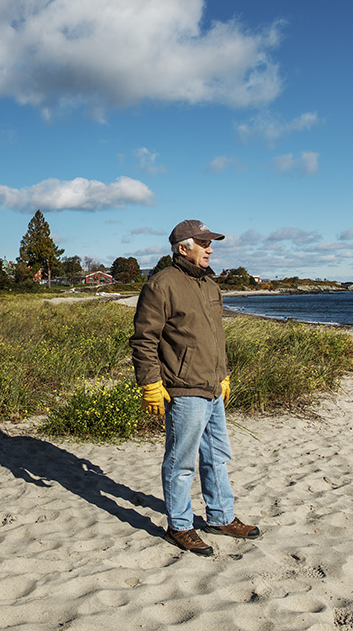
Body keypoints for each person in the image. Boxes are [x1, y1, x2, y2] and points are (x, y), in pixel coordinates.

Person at [131, 219, 260, 556]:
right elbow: (144, 340)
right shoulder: (162, 285)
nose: (210, 249)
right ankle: (180, 526)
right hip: (184, 388)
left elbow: (214, 336)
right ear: (183, 247)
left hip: (213, 386)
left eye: (210, 243)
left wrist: (224, 373)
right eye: (204, 243)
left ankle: (220, 517)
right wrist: (150, 384)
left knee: (217, 456)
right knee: (181, 462)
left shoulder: (210, 285)